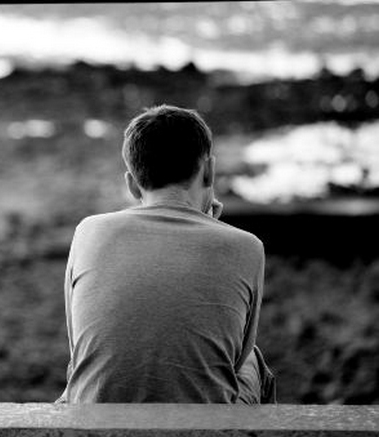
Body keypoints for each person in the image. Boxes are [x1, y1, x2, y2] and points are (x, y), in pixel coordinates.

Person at [58, 105, 275, 404]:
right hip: (202, 426)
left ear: (132, 185)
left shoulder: (88, 232)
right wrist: (212, 227)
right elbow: (235, 358)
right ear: (209, 170)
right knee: (252, 360)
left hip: (95, 421)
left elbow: (78, 349)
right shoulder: (247, 246)